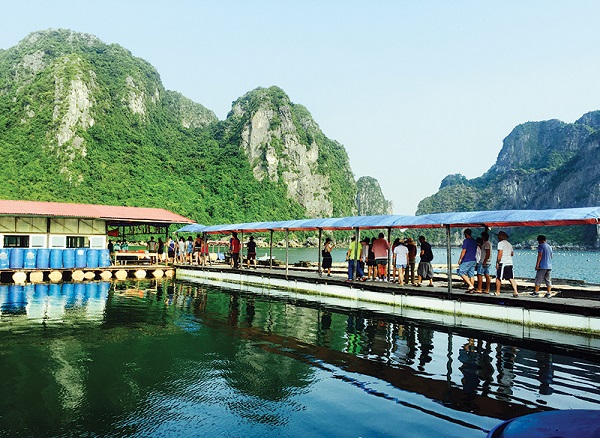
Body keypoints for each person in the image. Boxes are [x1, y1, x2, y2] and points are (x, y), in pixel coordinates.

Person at [495, 230, 518, 297]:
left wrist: (497, 262)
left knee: (498, 277)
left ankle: (497, 291)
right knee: (511, 277)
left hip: (503, 263)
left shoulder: (500, 244)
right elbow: (512, 253)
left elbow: (500, 254)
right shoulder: (509, 244)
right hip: (509, 262)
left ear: (500, 237)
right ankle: (515, 291)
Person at [457, 228, 478, 293]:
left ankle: (471, 285)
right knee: (471, 275)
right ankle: (471, 290)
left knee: (460, 272)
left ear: (465, 234)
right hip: (473, 260)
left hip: (467, 259)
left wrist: (460, 259)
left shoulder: (466, 241)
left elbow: (464, 251)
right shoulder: (474, 241)